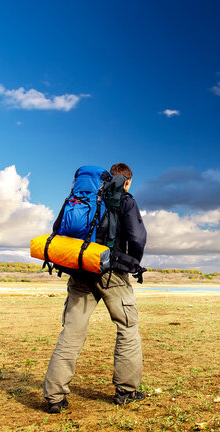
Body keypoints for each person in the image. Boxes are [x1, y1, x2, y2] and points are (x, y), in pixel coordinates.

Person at [43, 163, 147, 413]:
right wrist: (131, 263)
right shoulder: (125, 200)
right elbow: (137, 238)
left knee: (71, 332)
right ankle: (127, 390)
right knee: (127, 328)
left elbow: (58, 231)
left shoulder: (82, 198)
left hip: (80, 270)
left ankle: (54, 396)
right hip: (113, 274)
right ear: (128, 181)